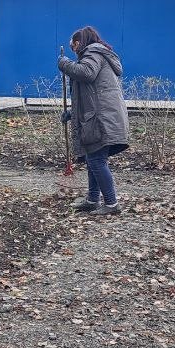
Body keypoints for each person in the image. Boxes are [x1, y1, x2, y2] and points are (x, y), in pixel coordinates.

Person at [58, 25, 130, 216]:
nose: (73, 51)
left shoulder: (93, 53)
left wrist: (64, 64)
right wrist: (73, 113)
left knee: (96, 160)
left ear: (78, 42)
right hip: (101, 116)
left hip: (102, 119)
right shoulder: (96, 54)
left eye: (73, 46)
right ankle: (92, 199)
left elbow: (86, 73)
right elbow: (92, 96)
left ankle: (111, 203)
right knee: (93, 159)